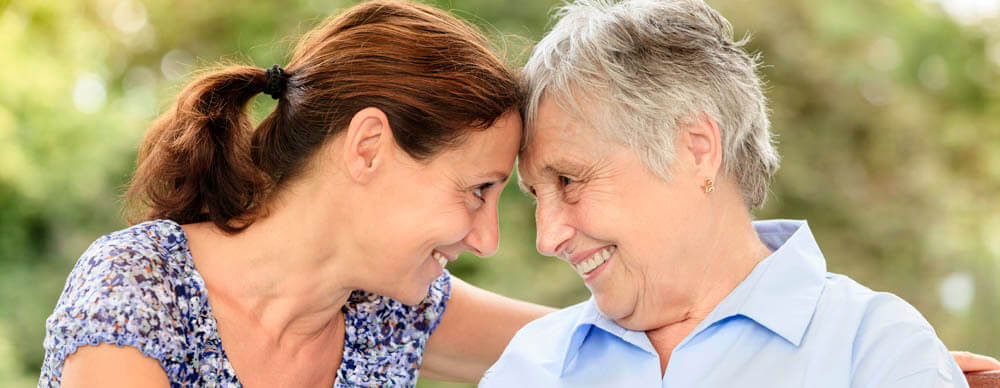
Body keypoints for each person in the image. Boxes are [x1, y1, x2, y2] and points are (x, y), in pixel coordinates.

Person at [479, 0, 996, 387]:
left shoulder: (876, 349)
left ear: (696, 149)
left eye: (569, 180)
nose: (547, 237)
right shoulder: (534, 363)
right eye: (535, 194)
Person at [38, 1, 551, 387]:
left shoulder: (388, 308)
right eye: (477, 190)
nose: (488, 240)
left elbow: (595, 351)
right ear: (368, 148)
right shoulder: (139, 285)